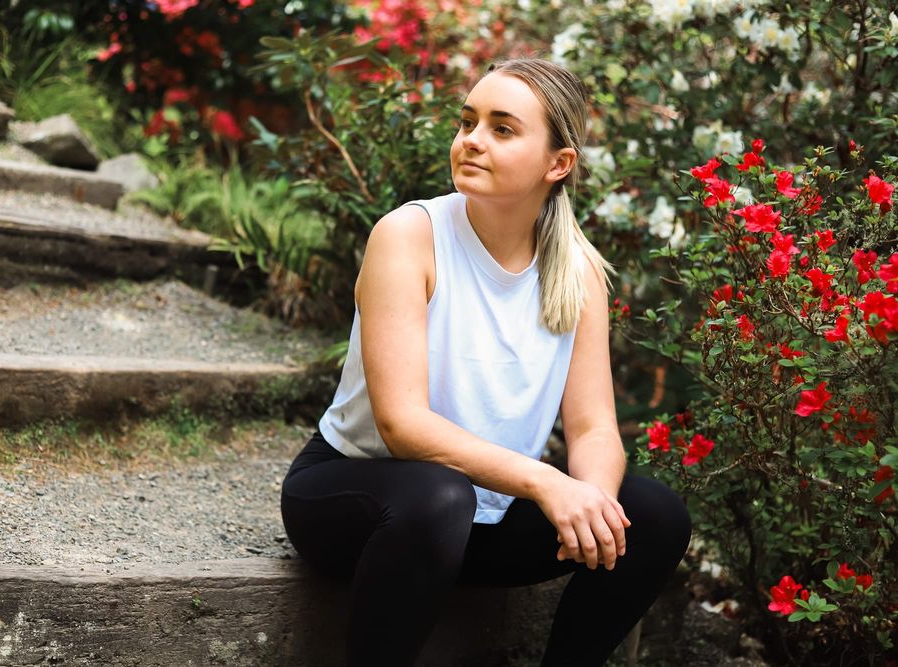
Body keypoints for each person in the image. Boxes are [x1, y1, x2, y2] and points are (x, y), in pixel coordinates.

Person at [280, 58, 692, 667]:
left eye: (502, 128)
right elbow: (402, 424)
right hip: (362, 504)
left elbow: (594, 428)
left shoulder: (577, 273)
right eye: (467, 121)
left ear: (558, 164)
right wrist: (549, 483)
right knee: (440, 494)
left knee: (655, 515)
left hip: (483, 519)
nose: (471, 140)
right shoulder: (410, 235)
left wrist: (594, 508)